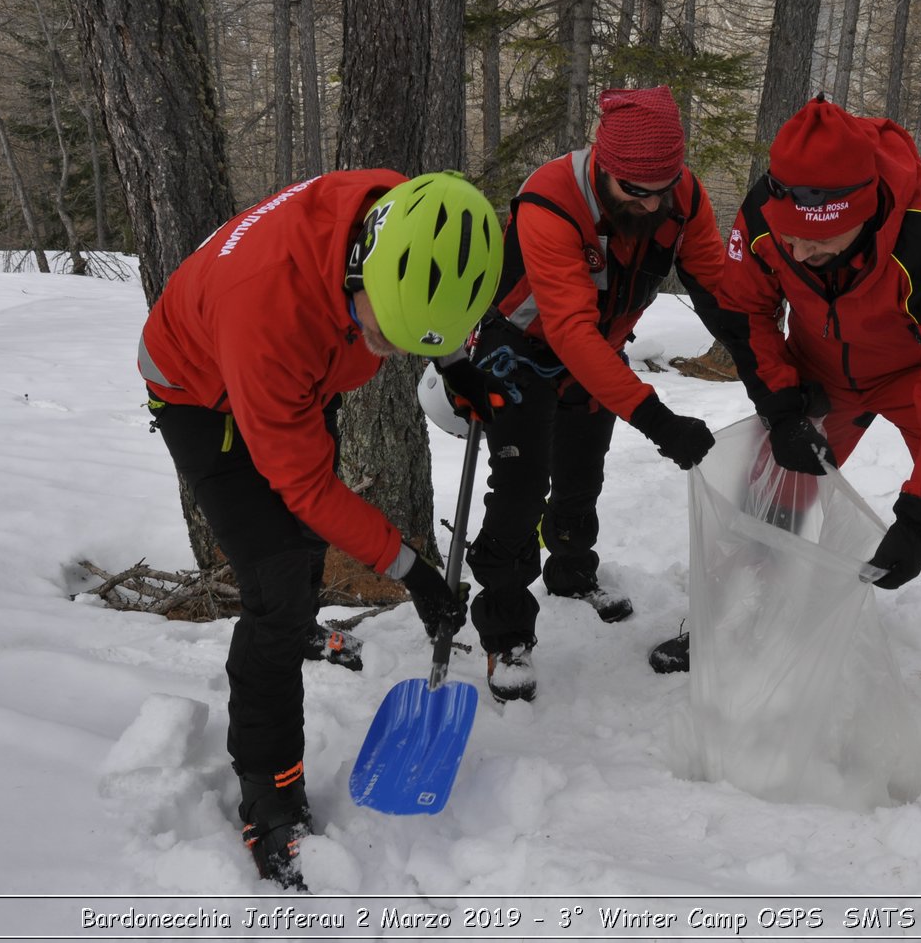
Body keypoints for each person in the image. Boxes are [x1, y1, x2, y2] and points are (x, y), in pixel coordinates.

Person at [658, 95, 921, 748]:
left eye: (818, 239)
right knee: (771, 488)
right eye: (790, 235)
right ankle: (724, 622)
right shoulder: (770, 214)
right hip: (820, 370)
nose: (799, 251)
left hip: (920, 376)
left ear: (862, 215)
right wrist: (780, 409)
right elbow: (746, 311)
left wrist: (919, 518)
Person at [138, 170, 503, 888]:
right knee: (276, 583)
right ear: (360, 264)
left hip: (302, 370)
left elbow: (441, 308)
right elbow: (304, 485)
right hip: (201, 390)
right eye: (380, 333)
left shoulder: (411, 220)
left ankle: (301, 622)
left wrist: (457, 366)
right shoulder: (267, 310)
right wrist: (414, 572)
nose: (391, 354)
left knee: (302, 548)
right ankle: (266, 790)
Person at [445, 85, 760, 705]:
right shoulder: (550, 200)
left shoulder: (684, 197)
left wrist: (764, 373)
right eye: (633, 191)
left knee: (581, 472)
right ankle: (506, 631)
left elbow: (715, 290)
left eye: (659, 190)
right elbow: (567, 328)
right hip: (521, 351)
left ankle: (570, 569)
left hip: (600, 347)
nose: (648, 203)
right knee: (520, 485)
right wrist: (658, 419)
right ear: (603, 164)